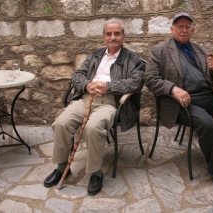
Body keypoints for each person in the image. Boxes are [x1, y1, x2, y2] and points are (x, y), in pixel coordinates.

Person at [144, 12, 213, 192]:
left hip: (210, 98)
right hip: (184, 102)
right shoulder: (160, 50)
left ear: (193, 30)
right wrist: (173, 88)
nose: (184, 30)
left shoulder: (201, 50)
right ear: (172, 29)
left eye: (187, 27)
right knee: (208, 124)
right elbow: (150, 79)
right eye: (180, 26)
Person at [43, 19, 145, 196]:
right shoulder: (95, 55)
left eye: (117, 33)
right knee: (61, 123)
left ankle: (95, 172)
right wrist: (88, 85)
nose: (113, 37)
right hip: (85, 98)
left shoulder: (133, 59)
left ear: (123, 36)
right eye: (109, 34)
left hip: (109, 102)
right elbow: (77, 75)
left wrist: (108, 87)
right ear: (104, 37)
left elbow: (136, 83)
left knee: (93, 127)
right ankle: (61, 168)